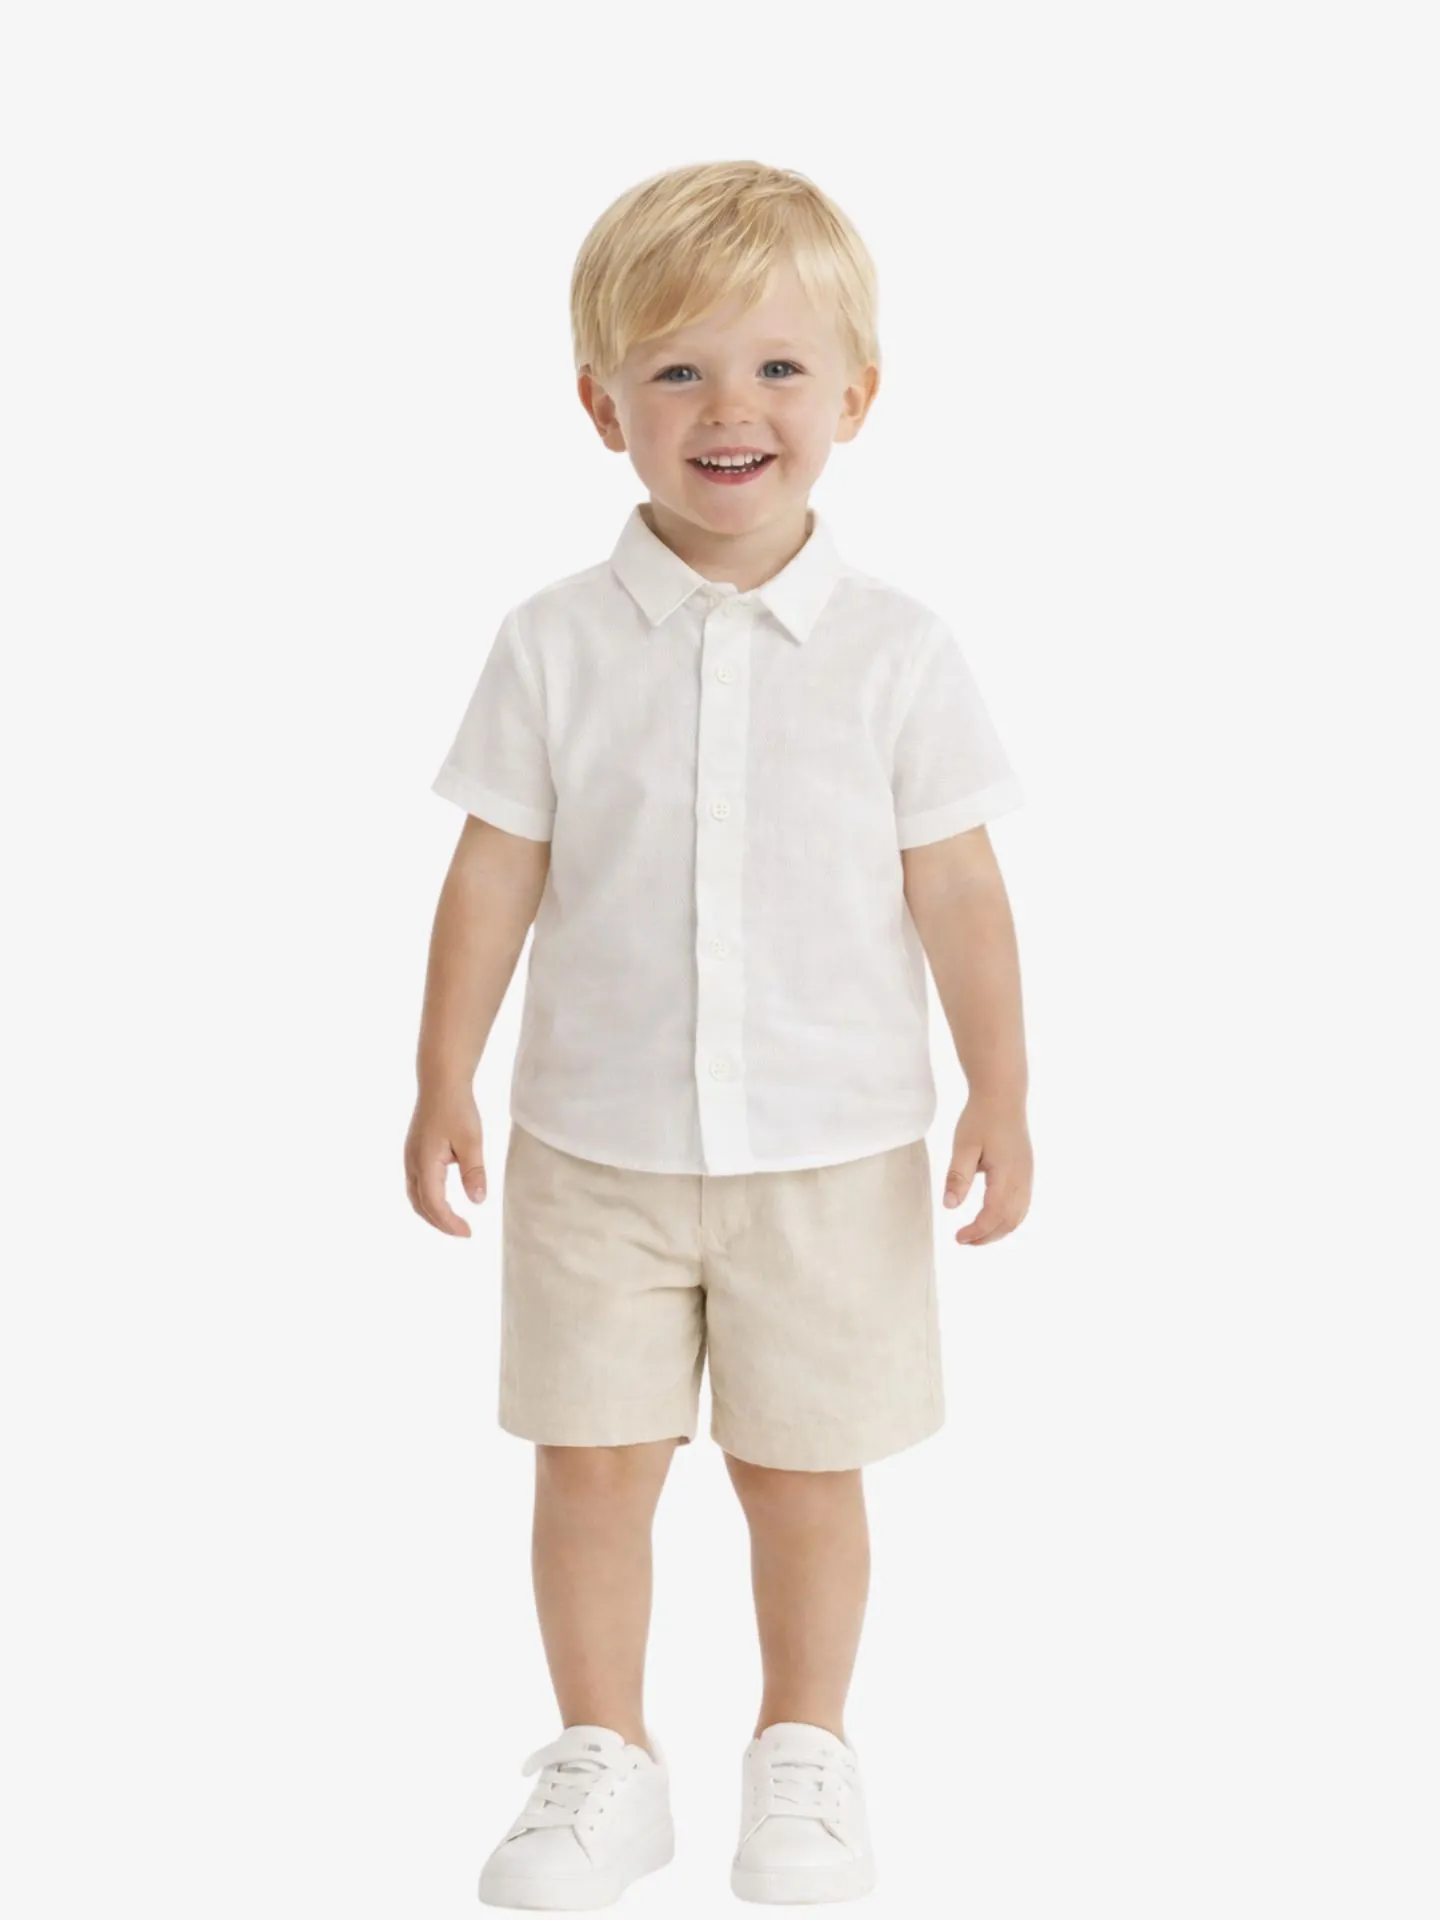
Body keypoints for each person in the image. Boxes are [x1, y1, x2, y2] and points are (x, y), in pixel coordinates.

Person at [404, 158, 1033, 1910]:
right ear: (601, 405)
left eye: (776, 367)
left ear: (857, 397)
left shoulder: (899, 652)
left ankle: (803, 1749)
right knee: (592, 1465)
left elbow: (960, 886)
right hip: (592, 1149)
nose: (729, 409)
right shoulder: (552, 643)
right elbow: (493, 869)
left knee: (804, 1471)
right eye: (677, 371)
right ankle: (603, 1752)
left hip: (831, 1152)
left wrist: (1003, 1088)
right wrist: (442, 1071)